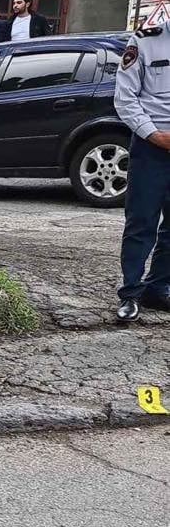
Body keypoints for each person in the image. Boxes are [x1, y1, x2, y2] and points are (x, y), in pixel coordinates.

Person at [113, 25, 170, 322]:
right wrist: (153, 135)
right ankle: (131, 294)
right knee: (141, 222)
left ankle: (158, 288)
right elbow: (125, 98)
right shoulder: (146, 41)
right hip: (151, 146)